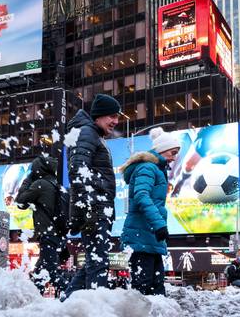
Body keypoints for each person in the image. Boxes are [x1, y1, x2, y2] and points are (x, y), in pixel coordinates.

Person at [64, 94, 119, 298]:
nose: (115, 121)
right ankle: (98, 307)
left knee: (94, 261)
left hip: (95, 208)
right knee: (97, 261)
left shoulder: (93, 135)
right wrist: (99, 194)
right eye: (111, 116)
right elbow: (77, 170)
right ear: (98, 116)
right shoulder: (87, 133)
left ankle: (67, 304)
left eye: (117, 117)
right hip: (93, 209)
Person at [119, 127, 181, 296]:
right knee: (144, 290)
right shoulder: (148, 168)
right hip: (142, 237)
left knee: (156, 288)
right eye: (172, 153)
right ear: (161, 150)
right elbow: (141, 196)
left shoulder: (156, 170)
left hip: (149, 237)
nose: (174, 158)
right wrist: (159, 224)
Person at [15, 155, 63, 294]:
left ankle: (72, 294)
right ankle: (35, 297)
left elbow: (20, 202)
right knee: (41, 271)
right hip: (56, 234)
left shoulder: (40, 184)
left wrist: (27, 180)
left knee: (52, 272)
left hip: (47, 234)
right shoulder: (55, 184)